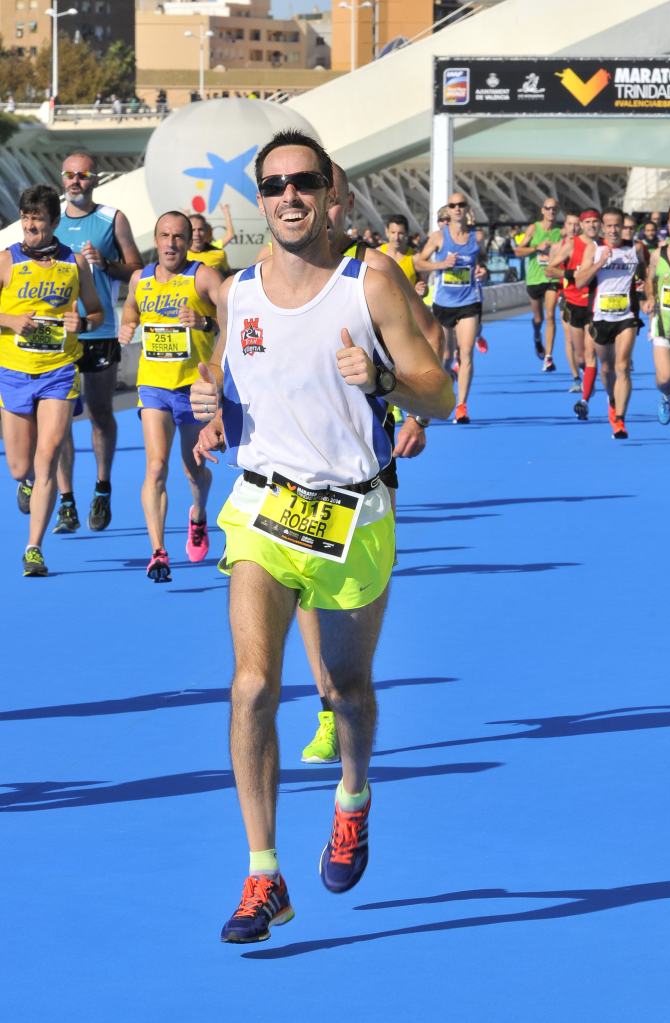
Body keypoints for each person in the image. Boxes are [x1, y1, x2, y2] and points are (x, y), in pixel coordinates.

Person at [189, 129, 453, 943]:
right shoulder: (236, 292)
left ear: (331, 191)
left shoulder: (368, 279)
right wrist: (210, 411)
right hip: (265, 506)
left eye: (304, 182)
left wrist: (381, 381)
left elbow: (437, 392)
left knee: (344, 693)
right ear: (259, 200)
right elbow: (225, 377)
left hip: (353, 510)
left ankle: (352, 794)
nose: (289, 197)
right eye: (274, 185)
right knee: (252, 686)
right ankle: (263, 874)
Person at [297, 161, 443, 766]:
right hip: (296, 466)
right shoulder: (271, 276)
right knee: (304, 583)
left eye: (328, 197)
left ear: (346, 202)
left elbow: (430, 337)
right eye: (303, 193)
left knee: (349, 594)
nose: (316, 207)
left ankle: (347, 686)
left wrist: (417, 415)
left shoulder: (374, 271)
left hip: (367, 461)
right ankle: (327, 705)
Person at [0, 184, 103, 576]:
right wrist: (10, 320)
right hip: (13, 371)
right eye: (25, 218)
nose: (30, 225)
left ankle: (33, 549)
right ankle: (24, 483)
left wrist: (84, 322)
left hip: (59, 372)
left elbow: (95, 312)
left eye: (37, 219)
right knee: (18, 467)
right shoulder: (6, 261)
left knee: (47, 459)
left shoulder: (74, 263)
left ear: (54, 223)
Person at [118, 211, 222, 581]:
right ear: (156, 240)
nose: (171, 243)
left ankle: (198, 513)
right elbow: (131, 307)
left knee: (194, 471)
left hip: (194, 389)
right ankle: (158, 551)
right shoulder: (140, 280)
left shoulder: (204, 277)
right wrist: (128, 324)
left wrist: (205, 323)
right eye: (165, 235)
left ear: (188, 239)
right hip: (154, 386)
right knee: (156, 466)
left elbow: (237, 319)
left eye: (179, 236)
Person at [53, 151, 143, 534]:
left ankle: (102, 488)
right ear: (63, 179)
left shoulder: (112, 218)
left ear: (95, 179)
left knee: (101, 412)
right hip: (60, 334)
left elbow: (137, 269)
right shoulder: (51, 221)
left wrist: (105, 264)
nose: (76, 181)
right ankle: (66, 500)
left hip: (101, 331)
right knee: (58, 419)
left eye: (83, 175)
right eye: (70, 175)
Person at [574, 206, 649, 439]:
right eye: (610, 226)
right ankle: (612, 398)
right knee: (605, 369)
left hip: (626, 316)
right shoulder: (594, 249)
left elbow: (646, 275)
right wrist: (599, 263)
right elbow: (578, 282)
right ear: (602, 227)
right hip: (600, 317)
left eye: (619, 225)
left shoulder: (635, 249)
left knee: (622, 366)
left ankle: (620, 419)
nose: (614, 230)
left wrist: (647, 293)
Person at [415, 191, 488, 423]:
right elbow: (418, 261)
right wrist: (441, 264)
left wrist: (483, 271)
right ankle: (441, 395)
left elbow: (483, 261)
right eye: (452, 205)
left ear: (467, 209)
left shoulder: (477, 237)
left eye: (461, 205)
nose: (457, 208)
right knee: (444, 357)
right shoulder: (439, 237)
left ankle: (462, 406)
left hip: (469, 302)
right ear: (448, 210)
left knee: (466, 353)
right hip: (444, 303)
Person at [547, 209, 602, 420]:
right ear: (581, 224)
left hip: (596, 306)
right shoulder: (572, 245)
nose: (591, 226)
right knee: (581, 357)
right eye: (587, 222)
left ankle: (585, 398)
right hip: (574, 302)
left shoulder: (605, 245)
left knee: (591, 355)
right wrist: (572, 274)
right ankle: (587, 378)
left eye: (595, 222)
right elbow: (550, 270)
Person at [645, 201, 670, 439]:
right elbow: (650, 281)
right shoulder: (658, 255)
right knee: (665, 379)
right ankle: (668, 396)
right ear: (668, 224)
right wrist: (648, 299)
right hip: (664, 325)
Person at [514, 197, 562, 368]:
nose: (551, 212)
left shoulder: (560, 231)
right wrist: (537, 248)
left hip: (551, 278)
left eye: (554, 209)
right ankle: (536, 336)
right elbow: (518, 251)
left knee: (550, 315)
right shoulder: (534, 228)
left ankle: (548, 356)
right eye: (548, 208)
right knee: (538, 317)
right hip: (534, 278)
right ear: (542, 210)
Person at [378, 215, 427, 296]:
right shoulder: (377, 254)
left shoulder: (415, 257)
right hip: (381, 307)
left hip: (407, 307)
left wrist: (422, 290)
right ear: (387, 232)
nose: (396, 237)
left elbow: (425, 288)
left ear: (407, 233)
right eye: (393, 232)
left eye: (400, 233)